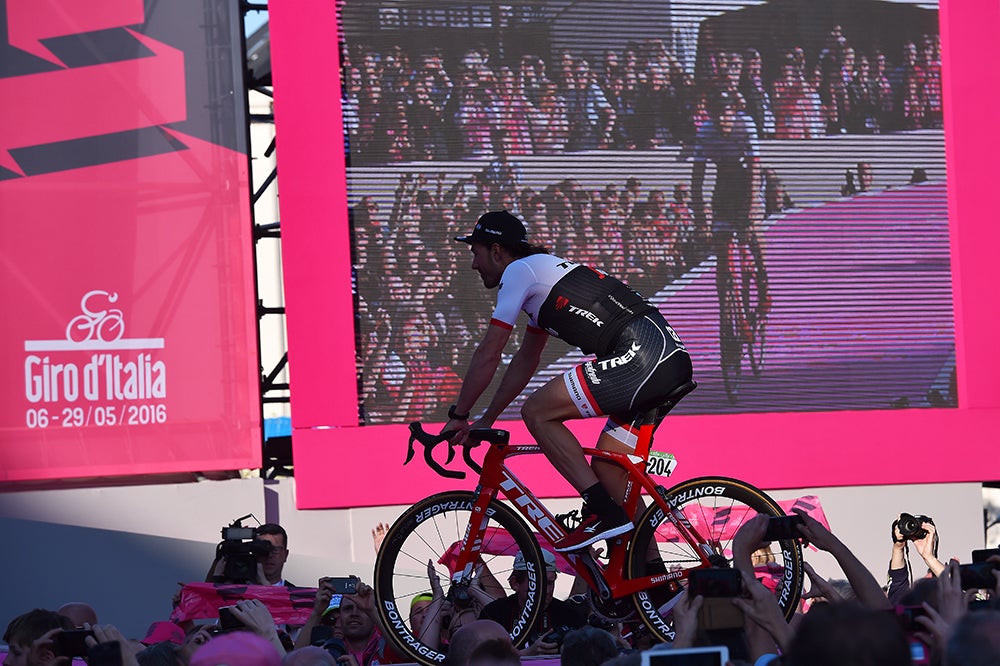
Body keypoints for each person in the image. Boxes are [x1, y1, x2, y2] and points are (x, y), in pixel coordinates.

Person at [444, 210, 693, 552]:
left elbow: (490, 350)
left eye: (476, 252)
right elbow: (526, 360)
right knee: (609, 473)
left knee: (537, 412)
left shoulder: (519, 271)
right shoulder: (542, 273)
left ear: (497, 250)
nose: (474, 264)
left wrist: (459, 413)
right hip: (663, 357)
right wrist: (486, 418)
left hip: (644, 356)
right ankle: (656, 592)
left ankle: (605, 515)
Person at [689, 91, 770, 382]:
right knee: (722, 250)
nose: (722, 119)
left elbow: (756, 170)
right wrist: (701, 218)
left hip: (746, 182)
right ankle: (726, 298)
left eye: (727, 113)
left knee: (754, 231)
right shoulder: (706, 132)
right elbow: (697, 178)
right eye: (717, 113)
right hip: (723, 186)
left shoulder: (746, 125)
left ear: (734, 111)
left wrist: (750, 209)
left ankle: (762, 281)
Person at [479, 549, 586, 654]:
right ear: (515, 583)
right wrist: (526, 654)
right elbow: (479, 658)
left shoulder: (568, 614)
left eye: (550, 583)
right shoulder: (494, 613)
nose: (546, 591)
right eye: (538, 583)